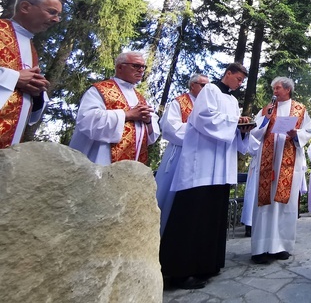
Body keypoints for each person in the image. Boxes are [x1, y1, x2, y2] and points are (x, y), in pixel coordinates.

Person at [159, 63, 250, 290]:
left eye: (242, 82)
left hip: (220, 168)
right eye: (238, 79)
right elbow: (203, 118)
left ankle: (207, 265)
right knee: (192, 216)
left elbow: (232, 131)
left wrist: (242, 128)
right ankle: (180, 272)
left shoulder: (232, 100)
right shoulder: (210, 90)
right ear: (228, 73)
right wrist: (234, 123)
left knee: (211, 217)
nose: (240, 85)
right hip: (202, 165)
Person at [248, 76, 311, 264]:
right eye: (273, 89)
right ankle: (260, 248)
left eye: (277, 88)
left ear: (287, 89)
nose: (274, 92)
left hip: (288, 161)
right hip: (267, 161)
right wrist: (265, 119)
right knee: (265, 204)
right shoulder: (267, 109)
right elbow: (255, 132)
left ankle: (281, 246)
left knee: (285, 204)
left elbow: (308, 132)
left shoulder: (300, 109)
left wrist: (296, 134)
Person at [70, 51, 160, 164]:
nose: (141, 70)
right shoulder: (100, 90)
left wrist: (148, 121)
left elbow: (151, 137)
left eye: (143, 66)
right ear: (120, 67)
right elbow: (86, 119)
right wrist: (127, 115)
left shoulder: (140, 98)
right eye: (136, 65)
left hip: (131, 164)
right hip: (99, 158)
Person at [0, 0, 62, 148]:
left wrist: (37, 92)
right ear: (25, 7)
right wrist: (13, 77)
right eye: (52, 12)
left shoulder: (31, 47)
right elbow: (16, 78)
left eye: (58, 15)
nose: (56, 20)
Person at [155, 73, 209, 234]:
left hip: (200, 156)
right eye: (203, 85)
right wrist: (199, 131)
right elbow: (170, 128)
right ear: (192, 85)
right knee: (169, 196)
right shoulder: (178, 102)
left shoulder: (208, 106)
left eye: (208, 86)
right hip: (179, 153)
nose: (206, 89)